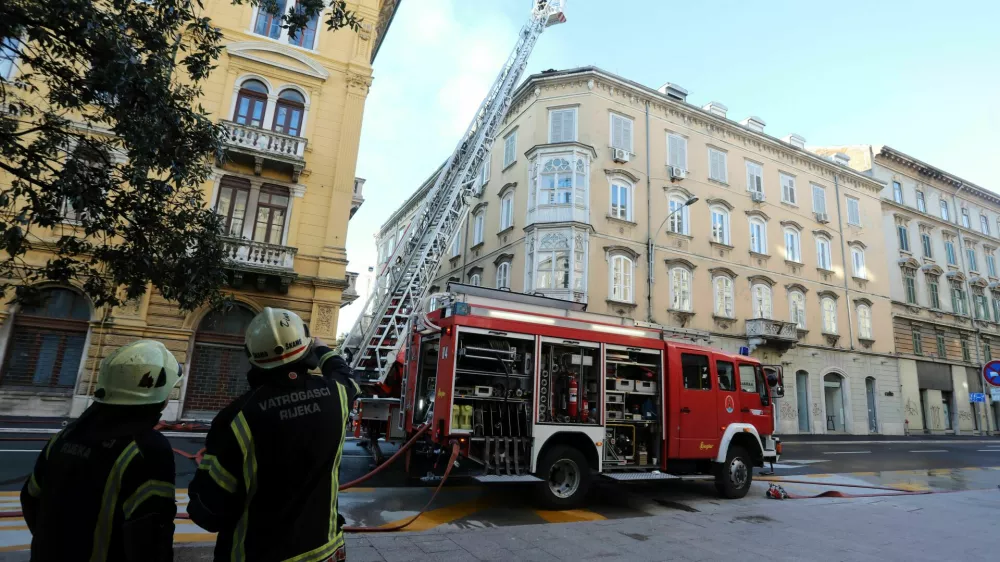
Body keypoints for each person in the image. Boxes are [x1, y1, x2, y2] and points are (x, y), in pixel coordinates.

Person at [188, 308, 359, 562]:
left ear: (251, 355)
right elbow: (346, 375)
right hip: (325, 551)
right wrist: (323, 349)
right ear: (306, 350)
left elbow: (208, 511)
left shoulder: (236, 417)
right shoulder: (337, 395)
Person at [21, 339, 183, 562]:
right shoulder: (147, 449)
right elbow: (151, 537)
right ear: (158, 392)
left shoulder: (68, 435)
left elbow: (30, 497)